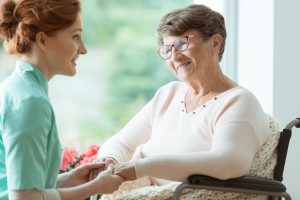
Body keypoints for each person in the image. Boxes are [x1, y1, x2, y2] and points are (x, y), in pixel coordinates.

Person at [97, 4, 278, 199]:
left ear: (215, 43)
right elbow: (122, 143)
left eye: (182, 44)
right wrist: (108, 162)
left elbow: (229, 162)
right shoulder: (168, 94)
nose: (174, 56)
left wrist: (143, 167)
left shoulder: (238, 101)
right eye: (167, 49)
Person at [0, 0, 123, 200]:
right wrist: (94, 188)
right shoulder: (30, 101)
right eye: (75, 37)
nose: (83, 49)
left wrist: (70, 178)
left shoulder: (21, 89)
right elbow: (25, 198)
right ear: (43, 40)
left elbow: (22, 185)